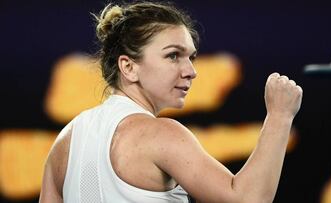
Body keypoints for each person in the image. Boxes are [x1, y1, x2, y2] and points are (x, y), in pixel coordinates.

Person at [39, 1, 303, 203]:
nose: (190, 70)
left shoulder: (64, 141)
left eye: (191, 57)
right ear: (128, 67)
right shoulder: (161, 134)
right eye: (174, 56)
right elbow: (247, 198)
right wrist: (280, 116)